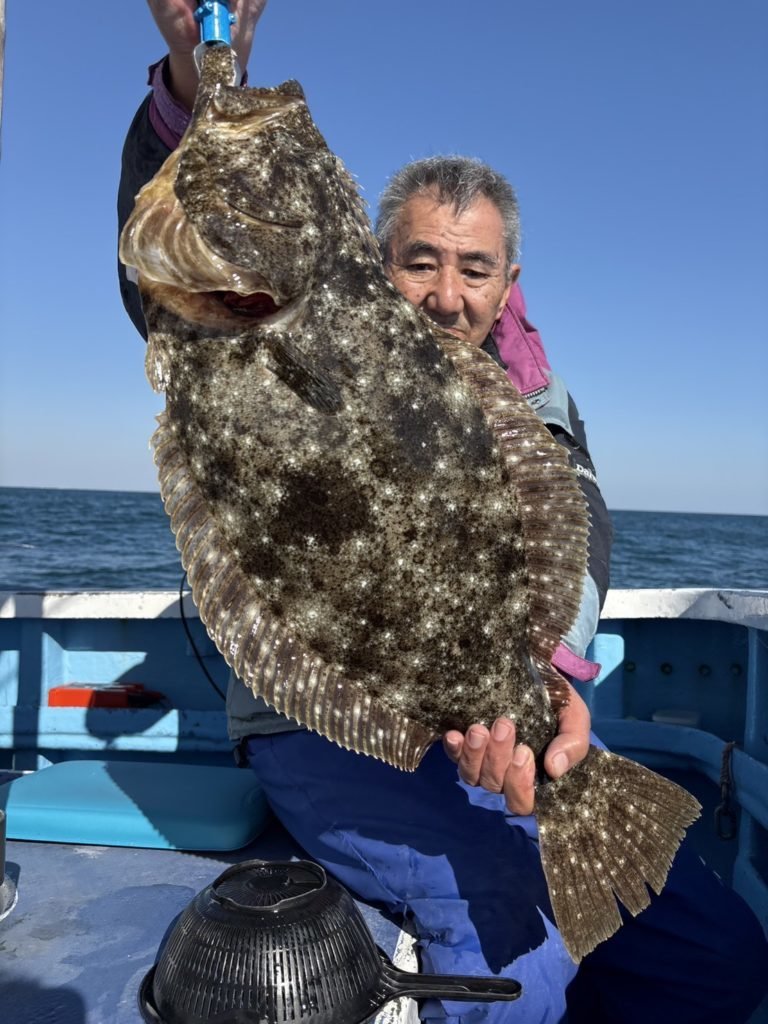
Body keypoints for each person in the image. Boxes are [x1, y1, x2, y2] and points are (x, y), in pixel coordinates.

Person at [118, 3, 768, 1022]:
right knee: (515, 943)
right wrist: (196, 72)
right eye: (420, 261)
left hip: (506, 704)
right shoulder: (295, 339)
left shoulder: (538, 403)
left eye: (474, 268)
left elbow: (577, 527)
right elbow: (183, 267)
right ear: (377, 262)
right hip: (322, 722)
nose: (446, 293)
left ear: (508, 286)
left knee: (720, 957)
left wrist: (544, 683)